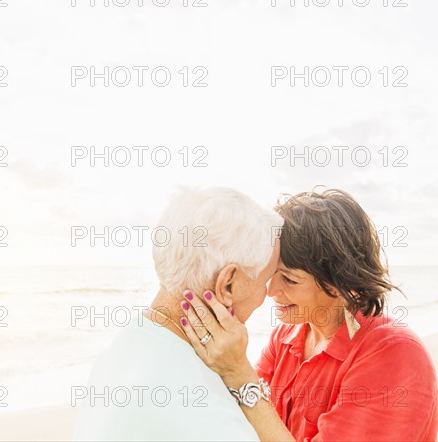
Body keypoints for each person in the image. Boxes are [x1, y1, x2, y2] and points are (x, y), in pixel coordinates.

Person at [179, 188, 438, 441]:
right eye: (272, 274)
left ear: (340, 283)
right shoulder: (285, 338)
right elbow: (245, 424)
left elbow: (251, 404)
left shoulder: (393, 355)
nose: (272, 291)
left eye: (290, 280)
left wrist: (238, 373)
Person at [72, 186, 284, 441]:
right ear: (228, 284)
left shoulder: (123, 346)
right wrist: (243, 379)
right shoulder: (204, 414)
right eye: (266, 280)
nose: (269, 293)